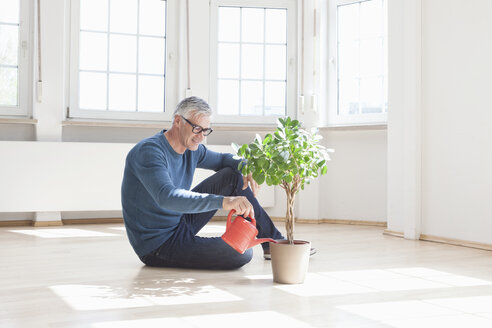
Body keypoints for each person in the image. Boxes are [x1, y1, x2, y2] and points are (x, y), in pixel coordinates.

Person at [121, 96, 284, 270]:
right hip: (158, 244)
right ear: (178, 121)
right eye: (197, 129)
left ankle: (274, 244)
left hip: (180, 221)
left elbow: (222, 159)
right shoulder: (150, 152)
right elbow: (167, 197)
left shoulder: (191, 149)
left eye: (206, 130)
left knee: (232, 175)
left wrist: (245, 166)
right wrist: (224, 201)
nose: (201, 137)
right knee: (242, 252)